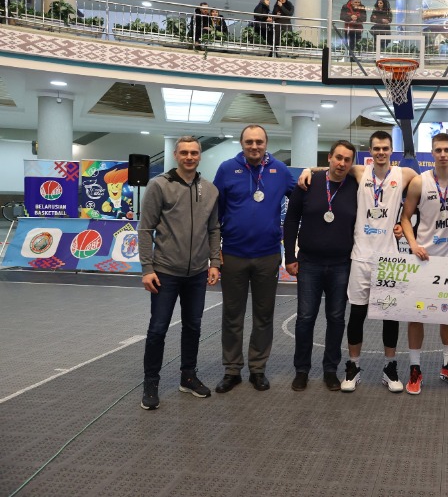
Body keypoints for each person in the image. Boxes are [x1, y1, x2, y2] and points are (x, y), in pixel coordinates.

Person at [296, 130, 420, 393]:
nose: (381, 152)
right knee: (357, 315)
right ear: (370, 151)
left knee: (390, 315)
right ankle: (353, 366)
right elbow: (331, 168)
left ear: (392, 151)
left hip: (389, 258)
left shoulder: (405, 174)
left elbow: (429, 185)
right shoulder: (360, 172)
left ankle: (390, 367)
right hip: (361, 256)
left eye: (385, 148)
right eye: (376, 148)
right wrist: (308, 169)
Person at [138, 136, 221, 410]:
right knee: (158, 329)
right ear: (176, 155)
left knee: (193, 327)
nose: (189, 157)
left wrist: (214, 263)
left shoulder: (210, 189)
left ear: (200, 156)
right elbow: (145, 229)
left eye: (194, 152)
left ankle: (188, 376)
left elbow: (214, 229)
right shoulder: (159, 185)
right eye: (184, 152)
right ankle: (151, 382)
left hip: (197, 273)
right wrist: (147, 268)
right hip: (165, 272)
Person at [213, 125, 295, 394]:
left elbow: (301, 196)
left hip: (267, 255)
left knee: (264, 315)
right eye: (249, 142)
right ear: (242, 144)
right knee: (232, 315)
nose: (254, 146)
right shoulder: (227, 169)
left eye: (259, 141)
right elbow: (215, 213)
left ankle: (258, 369)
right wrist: (214, 252)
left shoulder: (280, 170)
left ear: (266, 143)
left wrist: (313, 173)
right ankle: (232, 370)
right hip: (233, 255)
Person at [400, 133, 448, 395]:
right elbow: (405, 217)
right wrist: (413, 244)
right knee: (416, 315)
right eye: (438, 150)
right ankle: (415, 367)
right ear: (432, 153)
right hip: (423, 259)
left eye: (447, 150)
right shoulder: (419, 182)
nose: (443, 154)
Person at [284, 141, 358, 392]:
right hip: (309, 263)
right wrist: (289, 256)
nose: (342, 163)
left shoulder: (356, 186)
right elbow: (291, 219)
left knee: (336, 318)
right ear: (329, 158)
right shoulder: (308, 183)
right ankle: (302, 370)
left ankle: (330, 370)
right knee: (305, 318)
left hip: (341, 264)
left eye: (347, 160)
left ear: (352, 163)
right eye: (338, 158)